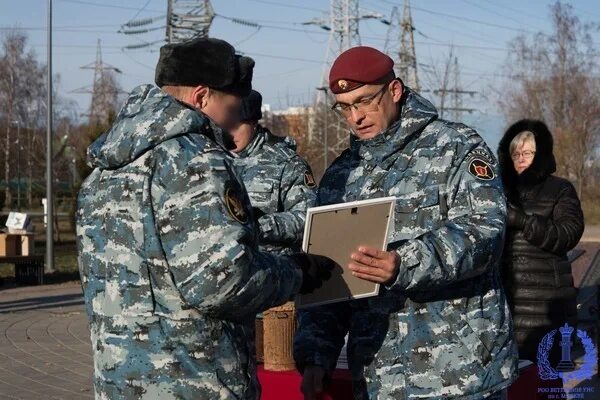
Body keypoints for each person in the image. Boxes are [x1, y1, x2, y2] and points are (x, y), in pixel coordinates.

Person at [76, 37, 332, 400]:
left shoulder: (104, 169)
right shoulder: (196, 161)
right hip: (194, 383)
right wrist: (296, 272)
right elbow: (224, 284)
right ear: (201, 98)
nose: (232, 123)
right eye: (232, 107)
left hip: (120, 383)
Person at [293, 46, 518, 400]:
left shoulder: (456, 146)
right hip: (380, 378)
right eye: (345, 107)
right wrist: (316, 354)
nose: (356, 117)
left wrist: (404, 263)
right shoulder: (341, 176)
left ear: (394, 91)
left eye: (365, 101)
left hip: (460, 373)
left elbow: (486, 231)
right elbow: (328, 278)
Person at [497, 119, 584, 363]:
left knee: (546, 380)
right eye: (516, 153)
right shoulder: (498, 189)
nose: (521, 158)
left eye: (527, 152)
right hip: (505, 302)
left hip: (547, 305)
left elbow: (568, 234)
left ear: (541, 154)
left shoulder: (560, 189)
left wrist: (523, 221)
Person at [230, 89, 317, 254]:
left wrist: (260, 226)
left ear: (254, 123)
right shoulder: (214, 160)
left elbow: (308, 220)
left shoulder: (286, 163)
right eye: (225, 125)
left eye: (237, 125)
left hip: (274, 269)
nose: (230, 133)